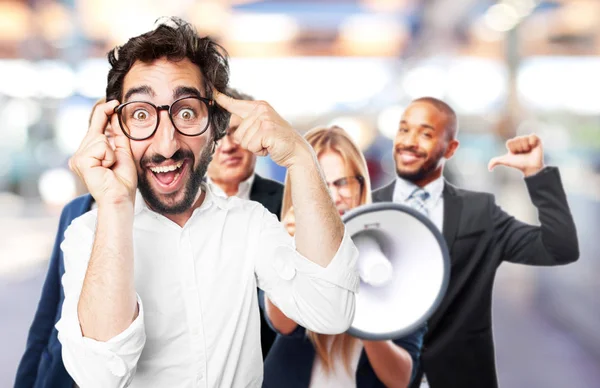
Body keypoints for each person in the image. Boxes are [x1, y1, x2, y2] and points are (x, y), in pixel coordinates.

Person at [56, 17, 359, 388]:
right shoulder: (87, 235)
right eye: (140, 114)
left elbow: (331, 311)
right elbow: (99, 376)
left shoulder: (251, 222)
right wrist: (117, 205)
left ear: (215, 129)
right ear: (114, 131)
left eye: (186, 112)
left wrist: (301, 155)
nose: (166, 145)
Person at [372, 97, 579, 388]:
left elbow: (559, 248)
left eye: (426, 134)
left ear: (451, 148)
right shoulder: (366, 211)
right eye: (404, 130)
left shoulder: (479, 213)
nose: (409, 141)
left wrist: (536, 175)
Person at [261, 125, 426, 388]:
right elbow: (283, 324)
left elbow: (401, 379)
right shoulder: (280, 244)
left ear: (361, 184)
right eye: (319, 185)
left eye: (342, 183)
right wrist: (289, 253)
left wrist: (367, 311)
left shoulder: (398, 260)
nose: (332, 196)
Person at [15, 98, 113, 388]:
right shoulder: (75, 210)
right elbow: (49, 308)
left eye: (117, 133)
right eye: (99, 132)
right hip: (58, 374)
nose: (106, 144)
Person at [206, 87, 284, 358]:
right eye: (218, 136)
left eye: (238, 132)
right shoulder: (178, 207)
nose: (228, 146)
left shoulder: (289, 203)